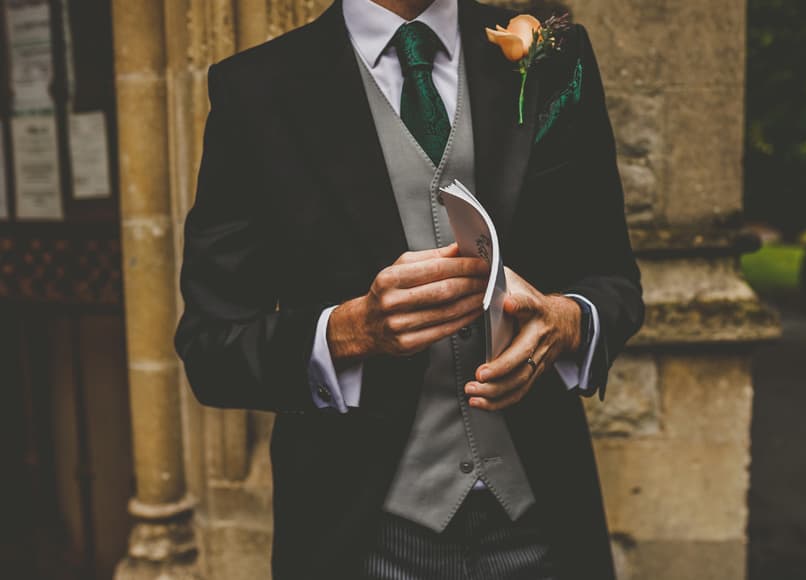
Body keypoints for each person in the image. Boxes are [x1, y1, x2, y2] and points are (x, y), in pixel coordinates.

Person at [175, 0, 644, 577]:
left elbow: (612, 276)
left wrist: (569, 320)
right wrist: (347, 333)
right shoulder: (256, 89)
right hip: (364, 537)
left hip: (543, 521)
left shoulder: (553, 55)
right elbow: (211, 346)